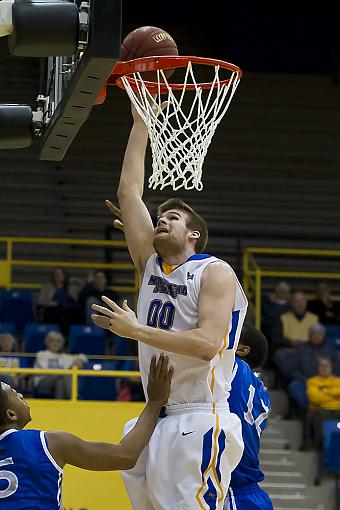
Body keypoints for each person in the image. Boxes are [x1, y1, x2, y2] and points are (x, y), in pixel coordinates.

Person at [91, 103, 248, 510]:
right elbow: (129, 192)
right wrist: (141, 121)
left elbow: (207, 344)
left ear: (194, 234)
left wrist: (136, 330)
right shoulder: (150, 264)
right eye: (158, 216)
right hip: (154, 413)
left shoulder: (215, 272)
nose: (161, 219)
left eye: (172, 216)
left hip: (198, 417)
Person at [0, 355, 172, 509]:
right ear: (11, 414)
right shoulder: (47, 442)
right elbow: (125, 456)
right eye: (15, 394)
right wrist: (155, 401)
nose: (21, 395)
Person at [224, 323, 273, 510]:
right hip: (247, 490)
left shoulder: (234, 366)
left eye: (232, 332)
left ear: (241, 350)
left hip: (234, 490)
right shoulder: (260, 389)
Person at [33, 331, 87, 399]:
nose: (55, 343)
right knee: (65, 373)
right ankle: (74, 397)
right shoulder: (41, 354)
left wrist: (79, 361)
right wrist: (67, 368)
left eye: (58, 341)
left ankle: (60, 406)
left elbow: (83, 356)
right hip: (42, 382)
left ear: (62, 343)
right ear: (47, 342)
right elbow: (47, 371)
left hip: (59, 380)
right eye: (52, 340)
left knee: (60, 383)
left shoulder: (64, 356)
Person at [37, 267, 81, 334]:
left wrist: (73, 279)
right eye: (56, 275)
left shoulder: (72, 287)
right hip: (52, 311)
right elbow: (40, 301)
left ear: (65, 276)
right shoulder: (47, 287)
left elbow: (82, 292)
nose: (58, 277)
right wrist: (49, 303)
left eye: (60, 275)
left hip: (68, 312)